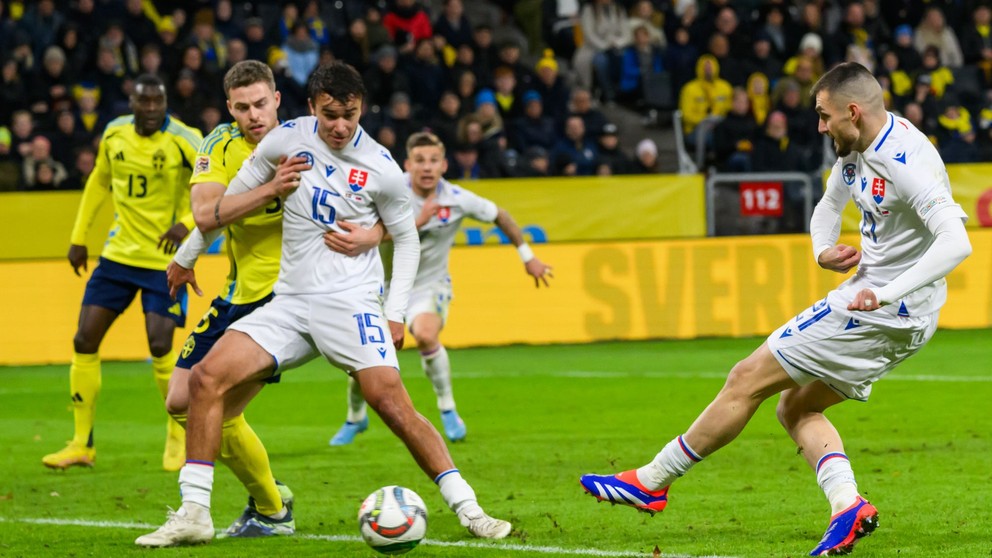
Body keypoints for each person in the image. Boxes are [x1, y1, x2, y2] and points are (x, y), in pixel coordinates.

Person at [580, 62, 972, 556]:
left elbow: (956, 243)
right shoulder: (857, 149)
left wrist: (886, 293)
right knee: (795, 406)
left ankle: (652, 480)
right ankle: (847, 506)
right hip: (906, 316)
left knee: (746, 378)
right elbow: (829, 206)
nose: (820, 126)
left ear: (853, 112)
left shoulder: (904, 159)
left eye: (825, 116)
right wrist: (822, 250)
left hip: (879, 308)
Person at [135, 62, 511, 546]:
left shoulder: (381, 166)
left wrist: (395, 313)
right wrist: (188, 255)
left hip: (350, 305)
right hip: (289, 303)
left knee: (392, 405)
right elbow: (225, 206)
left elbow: (407, 240)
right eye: (330, 114)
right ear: (312, 106)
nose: (340, 126)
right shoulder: (285, 140)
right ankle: (194, 513)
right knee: (206, 379)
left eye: (350, 115)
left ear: (362, 110)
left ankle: (470, 510)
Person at [157, 60, 376, 538]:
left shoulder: (313, 142)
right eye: (242, 107)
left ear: (277, 100)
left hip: (286, 298)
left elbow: (380, 198)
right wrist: (194, 251)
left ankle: (268, 508)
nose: (253, 115)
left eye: (261, 104)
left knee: (216, 404)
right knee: (179, 400)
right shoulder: (219, 144)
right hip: (236, 291)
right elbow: (205, 212)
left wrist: (372, 238)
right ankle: (271, 505)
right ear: (229, 109)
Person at [328, 131, 553, 446]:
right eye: (420, 160)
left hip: (428, 286)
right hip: (381, 286)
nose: (427, 167)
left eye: (433, 160)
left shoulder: (456, 199)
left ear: (444, 164)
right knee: (368, 356)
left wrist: (527, 257)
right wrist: (416, 222)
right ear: (407, 164)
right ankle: (355, 417)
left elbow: (500, 215)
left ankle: (448, 409)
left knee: (426, 335)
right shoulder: (388, 189)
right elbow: (367, 235)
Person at [42, 74, 203, 470]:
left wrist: (186, 222)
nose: (151, 110)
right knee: (84, 338)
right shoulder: (114, 134)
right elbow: (99, 181)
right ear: (132, 103)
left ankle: (178, 432)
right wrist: (79, 237)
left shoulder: (187, 139)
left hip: (164, 261)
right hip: (117, 257)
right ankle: (82, 443)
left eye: (158, 103)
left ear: (165, 103)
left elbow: (218, 186)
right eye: (144, 103)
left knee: (160, 344)